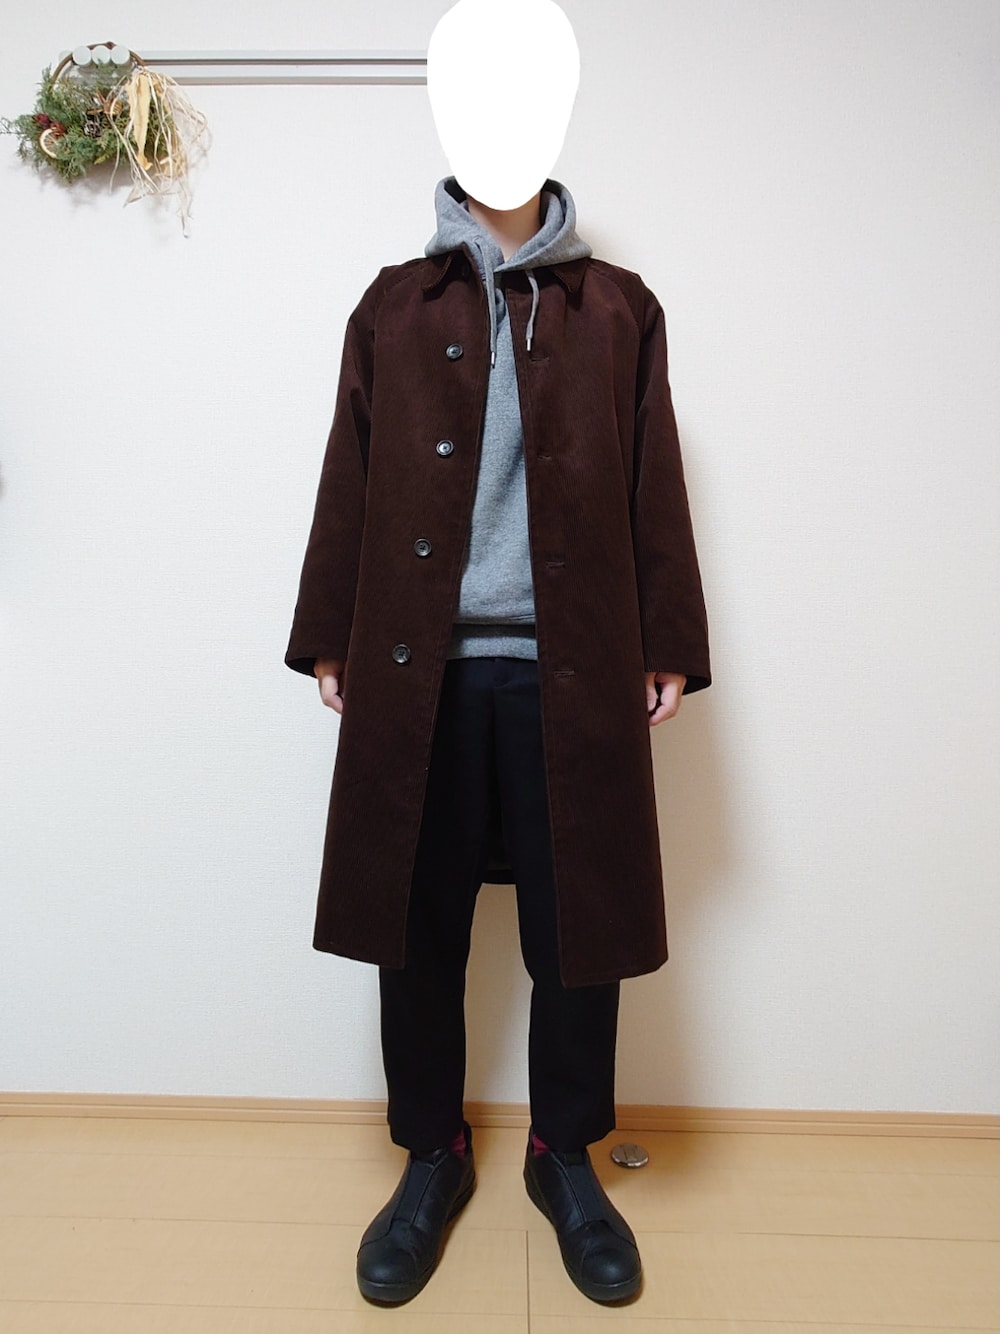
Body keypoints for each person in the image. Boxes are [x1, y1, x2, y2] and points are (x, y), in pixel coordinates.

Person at [283, 0, 710, 1309]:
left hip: (572, 662)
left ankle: (562, 1155)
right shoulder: (391, 305)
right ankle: (432, 1156)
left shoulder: (620, 308)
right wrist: (328, 630)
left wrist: (669, 637)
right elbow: (350, 474)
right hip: (418, 667)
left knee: (579, 926)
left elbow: (653, 477)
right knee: (414, 925)